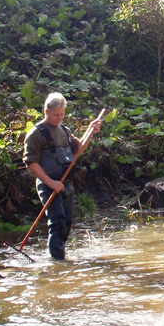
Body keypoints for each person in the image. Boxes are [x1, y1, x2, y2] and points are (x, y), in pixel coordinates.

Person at [23, 92, 101, 260]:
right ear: (46, 111)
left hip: (66, 184)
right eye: (55, 115)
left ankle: (58, 254)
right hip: (48, 185)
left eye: (62, 115)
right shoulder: (36, 133)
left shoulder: (64, 130)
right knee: (57, 222)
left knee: (66, 223)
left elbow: (78, 148)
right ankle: (57, 262)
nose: (59, 118)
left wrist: (91, 131)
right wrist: (50, 183)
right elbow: (31, 163)